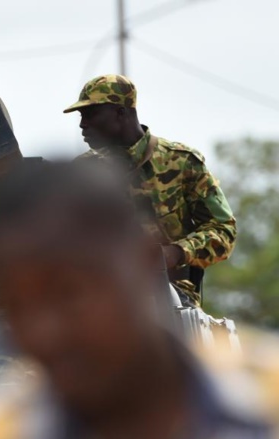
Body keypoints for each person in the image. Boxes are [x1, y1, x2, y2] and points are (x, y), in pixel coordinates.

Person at [0, 161, 279, 439]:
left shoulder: (266, 404)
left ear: (144, 264)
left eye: (69, 292)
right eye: (14, 308)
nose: (42, 332)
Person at [64, 74, 236, 306]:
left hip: (174, 302)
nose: (83, 124)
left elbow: (223, 229)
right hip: (104, 303)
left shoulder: (180, 161)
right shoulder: (83, 172)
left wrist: (175, 253)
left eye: (91, 114)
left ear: (120, 112)